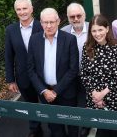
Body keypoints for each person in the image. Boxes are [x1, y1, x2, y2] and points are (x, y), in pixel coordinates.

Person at [27, 8, 79, 137]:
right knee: (55, 129)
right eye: (45, 22)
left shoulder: (70, 39)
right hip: (45, 94)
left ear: (58, 21)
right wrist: (44, 91)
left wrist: (55, 91)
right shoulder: (34, 40)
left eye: (51, 22)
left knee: (72, 127)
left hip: (67, 93)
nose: (48, 26)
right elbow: (31, 69)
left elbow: (73, 69)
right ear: (41, 23)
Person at [81, 14, 117, 137]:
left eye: (100, 29)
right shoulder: (87, 48)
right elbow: (84, 75)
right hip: (95, 100)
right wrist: (95, 94)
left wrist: (103, 93)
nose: (97, 34)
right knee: (100, 132)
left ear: (107, 29)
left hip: (115, 99)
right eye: (94, 31)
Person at [5, 0, 43, 137]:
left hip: (43, 75)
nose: (22, 12)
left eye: (25, 8)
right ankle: (35, 130)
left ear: (32, 9)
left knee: (49, 104)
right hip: (23, 76)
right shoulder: (11, 30)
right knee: (30, 105)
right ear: (16, 12)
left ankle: (54, 128)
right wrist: (10, 79)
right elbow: (8, 56)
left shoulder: (43, 26)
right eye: (19, 9)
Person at [61, 3, 89, 137]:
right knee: (71, 103)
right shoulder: (63, 31)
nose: (76, 19)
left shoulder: (93, 29)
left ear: (84, 15)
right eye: (72, 16)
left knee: (86, 102)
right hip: (70, 76)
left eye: (79, 15)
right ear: (68, 17)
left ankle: (85, 126)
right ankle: (73, 128)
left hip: (88, 75)